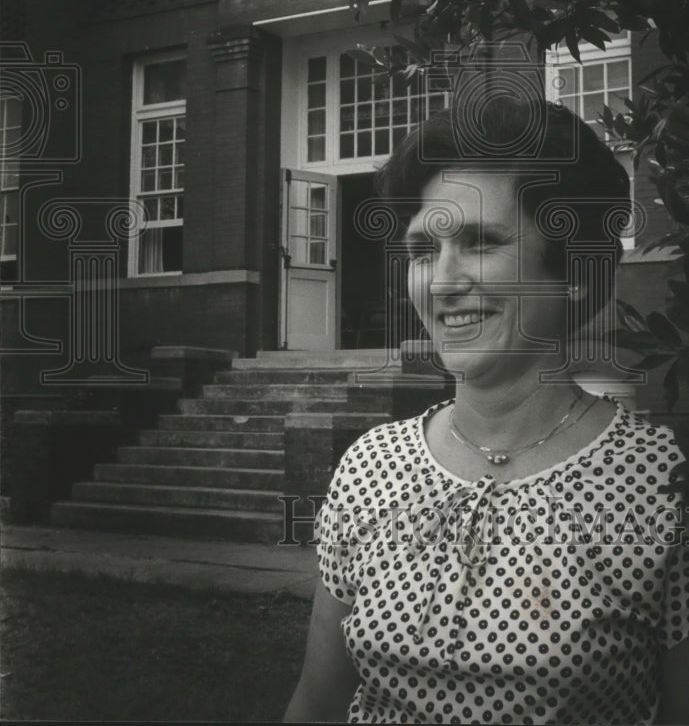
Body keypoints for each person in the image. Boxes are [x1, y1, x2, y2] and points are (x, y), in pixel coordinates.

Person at [284, 96, 689, 725]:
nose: (442, 281)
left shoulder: (658, 484)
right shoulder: (370, 469)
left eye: (481, 242)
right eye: (423, 249)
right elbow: (318, 702)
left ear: (573, 271)